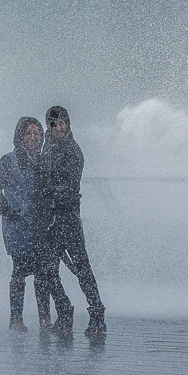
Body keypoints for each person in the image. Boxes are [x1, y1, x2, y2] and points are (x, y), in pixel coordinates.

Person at [0, 116, 73, 332]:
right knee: (19, 270)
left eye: (36, 133)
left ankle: (45, 319)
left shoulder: (44, 160)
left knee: (43, 272)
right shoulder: (9, 160)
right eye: (28, 133)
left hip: (41, 225)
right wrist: (6, 209)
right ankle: (16, 319)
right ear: (20, 136)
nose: (33, 137)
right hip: (17, 225)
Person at [40, 106, 107, 336]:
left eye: (62, 123)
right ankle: (64, 310)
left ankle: (97, 314)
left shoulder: (73, 151)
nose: (58, 127)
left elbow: (68, 186)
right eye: (54, 124)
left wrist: (48, 196)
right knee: (48, 270)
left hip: (68, 217)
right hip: (51, 219)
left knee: (81, 267)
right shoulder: (47, 147)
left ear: (68, 124)